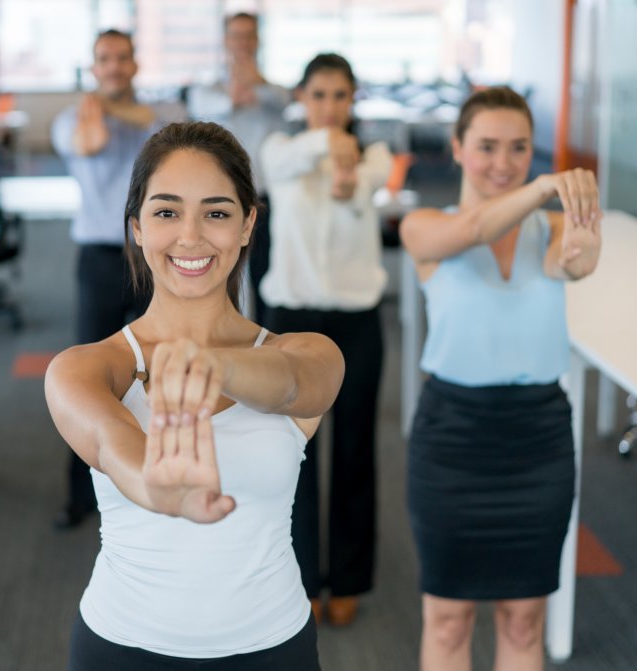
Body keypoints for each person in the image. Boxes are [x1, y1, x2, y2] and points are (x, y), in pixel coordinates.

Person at [45, 121, 343, 670]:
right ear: (135, 227)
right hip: (121, 648)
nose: (190, 236)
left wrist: (211, 364)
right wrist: (164, 494)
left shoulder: (309, 351)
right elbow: (114, 445)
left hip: (272, 649)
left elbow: (296, 385)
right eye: (165, 212)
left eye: (216, 212)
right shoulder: (87, 368)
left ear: (249, 223)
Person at [400, 86, 601, 671]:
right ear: (457, 148)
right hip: (451, 438)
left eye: (519, 147)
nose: (504, 162)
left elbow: (576, 260)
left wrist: (583, 253)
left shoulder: (555, 229)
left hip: (537, 438)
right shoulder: (424, 227)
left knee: (524, 618)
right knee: (447, 617)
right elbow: (472, 232)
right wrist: (543, 186)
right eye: (487, 146)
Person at [259, 53, 393, 625]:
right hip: (290, 318)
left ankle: (350, 577)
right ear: (301, 97)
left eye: (341, 96)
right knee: (293, 454)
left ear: (354, 98)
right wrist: (325, 143)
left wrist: (345, 170)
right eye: (319, 95)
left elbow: (355, 191)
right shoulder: (279, 149)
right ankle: (300, 579)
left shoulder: (376, 157)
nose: (330, 107)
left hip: (357, 321)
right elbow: (282, 166)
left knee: (355, 450)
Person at [50, 29, 184, 529]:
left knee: (164, 368)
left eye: (121, 58)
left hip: (155, 260)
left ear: (133, 64)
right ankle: (81, 493)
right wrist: (101, 112)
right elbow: (90, 141)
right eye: (104, 58)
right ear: (94, 64)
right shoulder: (72, 120)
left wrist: (112, 108)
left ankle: (165, 475)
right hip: (101, 259)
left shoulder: (160, 115)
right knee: (88, 376)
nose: (113, 66)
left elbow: (169, 127)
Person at [186, 12, 290, 324]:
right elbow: (202, 105)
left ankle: (266, 353)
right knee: (218, 276)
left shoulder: (273, 93)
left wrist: (255, 87)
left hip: (264, 199)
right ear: (225, 41)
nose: (242, 43)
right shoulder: (207, 91)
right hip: (218, 201)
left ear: (258, 41)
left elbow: (285, 101)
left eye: (248, 36)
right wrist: (234, 96)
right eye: (236, 36)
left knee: (266, 277)